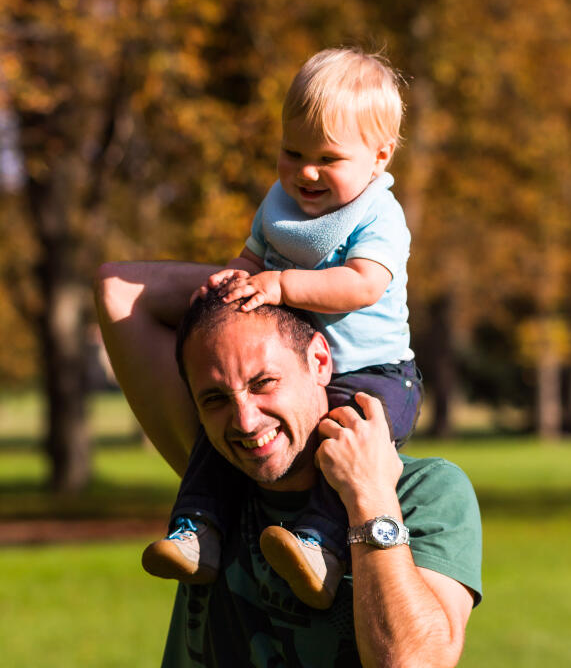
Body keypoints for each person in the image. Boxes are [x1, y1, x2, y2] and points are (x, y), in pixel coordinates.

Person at [94, 259, 482, 668]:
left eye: (264, 381)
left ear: (321, 363)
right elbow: (120, 290)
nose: (245, 422)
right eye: (214, 398)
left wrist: (369, 499)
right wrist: (264, 280)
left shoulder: (426, 492)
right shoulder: (223, 482)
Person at [141, 47, 422, 610]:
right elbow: (252, 259)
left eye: (327, 158)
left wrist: (282, 285)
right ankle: (197, 531)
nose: (306, 172)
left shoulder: (378, 216)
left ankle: (319, 549)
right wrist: (231, 284)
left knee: (341, 442)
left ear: (378, 156)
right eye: (291, 152)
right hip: (294, 371)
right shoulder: (280, 202)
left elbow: (362, 285)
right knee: (218, 431)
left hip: (376, 374)